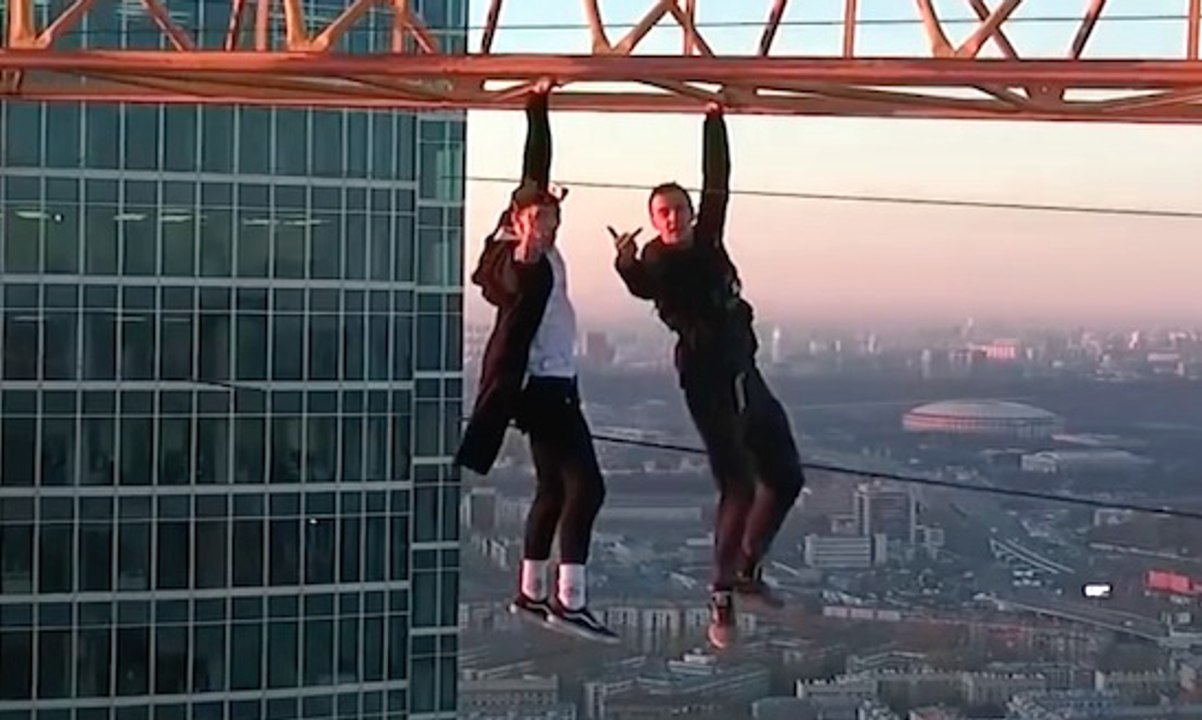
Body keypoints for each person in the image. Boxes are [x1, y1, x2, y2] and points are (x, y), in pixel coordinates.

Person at [610, 102, 804, 649]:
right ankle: (721, 595)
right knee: (739, 484)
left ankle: (747, 569)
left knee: (786, 476)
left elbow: (718, 183)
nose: (673, 218)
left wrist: (713, 120)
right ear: (654, 221)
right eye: (663, 212)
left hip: (744, 369)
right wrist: (624, 259)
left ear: (691, 213)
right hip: (708, 383)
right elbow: (641, 285)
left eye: (679, 209)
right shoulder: (659, 263)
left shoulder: (709, 238)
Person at [456, 80, 618, 644]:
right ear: (518, 222)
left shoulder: (520, 246)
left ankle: (529, 590)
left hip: (545, 387)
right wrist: (528, 242)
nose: (550, 224)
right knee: (586, 489)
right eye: (540, 218)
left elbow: (534, 171)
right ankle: (568, 599)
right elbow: (519, 277)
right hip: (547, 390)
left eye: (552, 216)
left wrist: (538, 105)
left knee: (553, 488)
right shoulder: (522, 261)